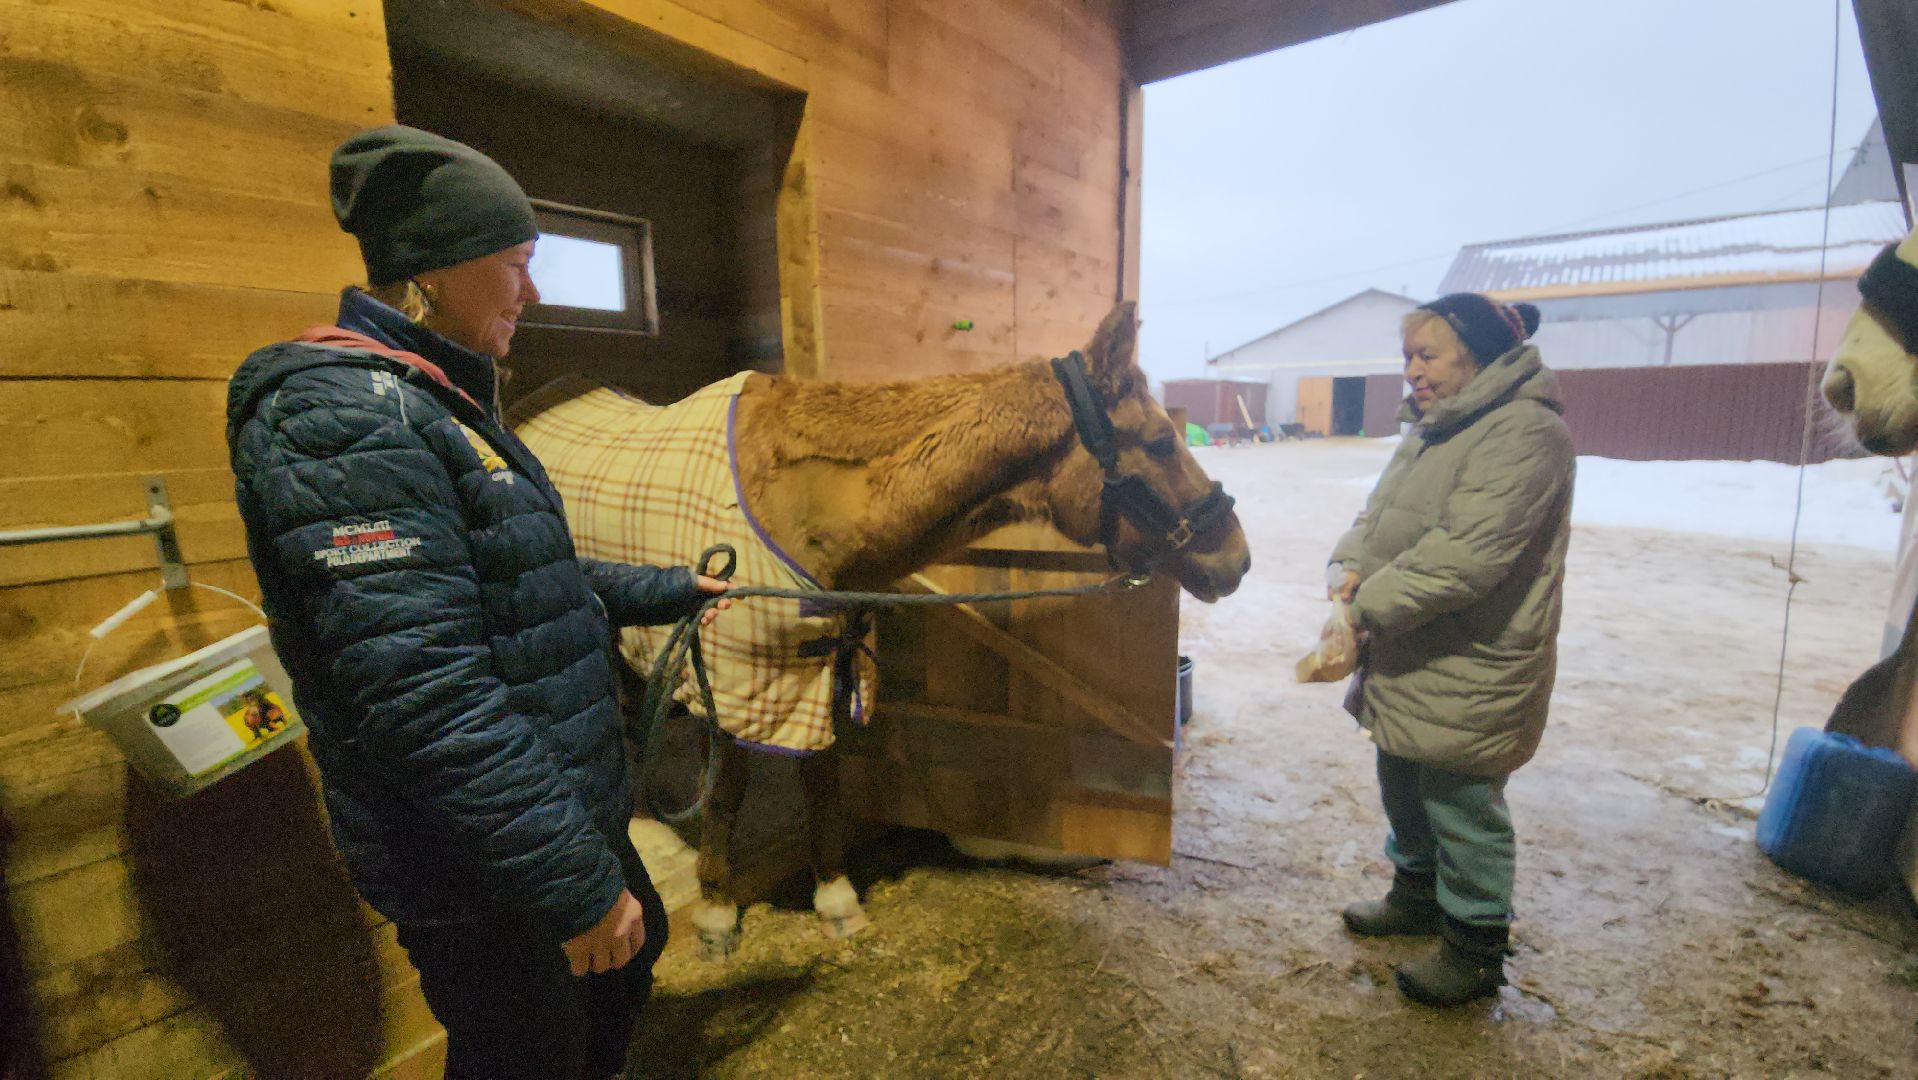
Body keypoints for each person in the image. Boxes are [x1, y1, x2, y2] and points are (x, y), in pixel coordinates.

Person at [226, 125, 730, 1079]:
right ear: (434, 270)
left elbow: (521, 583)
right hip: (473, 864)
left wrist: (670, 589)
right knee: (526, 1051)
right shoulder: (342, 422)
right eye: (515, 263)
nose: (530, 293)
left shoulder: (435, 402)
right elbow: (428, 697)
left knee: (624, 972)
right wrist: (577, 887)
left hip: (540, 821)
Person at [1327, 293, 1574, 1007]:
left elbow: (1464, 556)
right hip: (1412, 646)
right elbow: (1378, 517)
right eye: (1407, 356)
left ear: (1478, 354)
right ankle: (1416, 898)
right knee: (1402, 776)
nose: (1412, 371)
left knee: (1462, 801)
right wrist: (1348, 565)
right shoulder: (1435, 428)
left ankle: (1473, 947)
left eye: (1426, 355)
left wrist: (1363, 605)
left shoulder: (1526, 434)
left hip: (1473, 656)